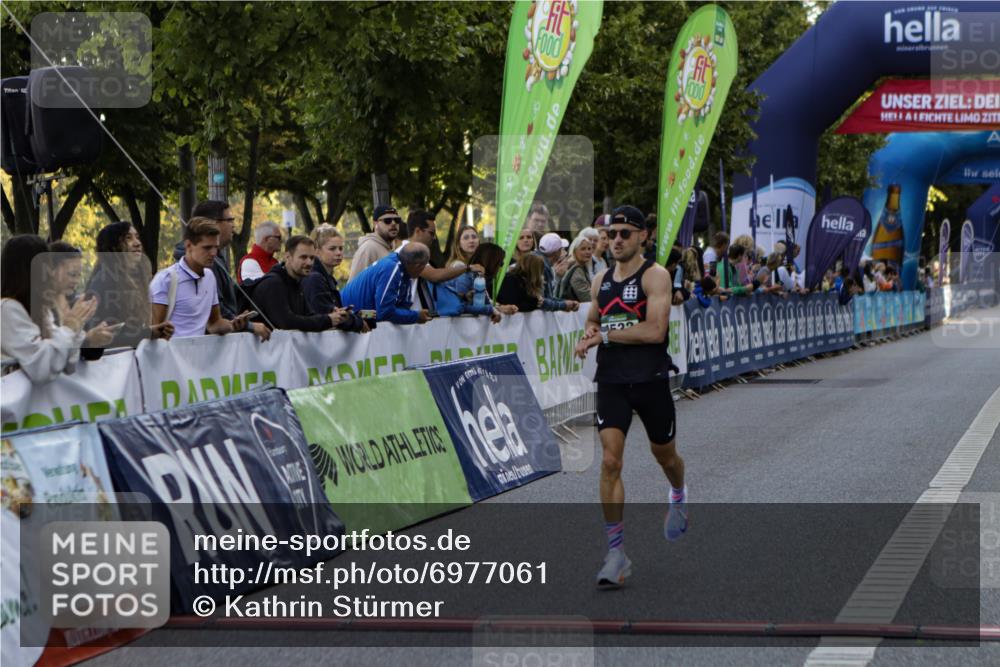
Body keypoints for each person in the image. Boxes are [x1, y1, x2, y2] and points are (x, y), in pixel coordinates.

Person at [573, 205, 686, 589]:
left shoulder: (656, 276)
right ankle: (616, 553)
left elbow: (655, 330)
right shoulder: (601, 279)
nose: (616, 240)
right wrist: (589, 333)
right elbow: (594, 316)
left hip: (650, 377)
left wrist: (605, 335)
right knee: (609, 461)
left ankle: (677, 492)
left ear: (642, 237)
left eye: (624, 233)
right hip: (613, 380)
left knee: (665, 456)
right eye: (612, 233)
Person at [1, 236, 100, 382]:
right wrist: (70, 327)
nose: (51, 273)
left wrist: (77, 325)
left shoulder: (41, 308)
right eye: (46, 265)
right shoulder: (8, 309)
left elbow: (68, 365)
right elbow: (42, 368)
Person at [151, 218, 265, 339]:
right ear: (189, 245)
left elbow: (214, 324)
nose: (213, 253)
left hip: (199, 354)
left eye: (216, 247)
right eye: (207, 248)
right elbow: (154, 331)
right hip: (170, 356)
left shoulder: (210, 277)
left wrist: (234, 325)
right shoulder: (165, 279)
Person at [92, 221, 174, 347]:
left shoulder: (137, 280)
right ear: (113, 246)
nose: (137, 243)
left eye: (137, 237)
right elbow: (104, 336)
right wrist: (147, 333)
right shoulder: (104, 282)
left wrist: (154, 333)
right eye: (128, 238)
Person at [252, 235, 353, 332]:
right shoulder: (273, 283)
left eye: (312, 258)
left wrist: (334, 314)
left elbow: (309, 316)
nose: (309, 263)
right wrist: (328, 320)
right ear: (287, 257)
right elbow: (287, 322)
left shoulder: (297, 282)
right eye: (303, 257)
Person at [47, 242, 118, 361]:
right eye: (72, 274)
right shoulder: (38, 306)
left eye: (79, 275)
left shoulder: (76, 302)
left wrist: (98, 338)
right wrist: (87, 339)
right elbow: (50, 355)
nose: (76, 281)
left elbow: (89, 355)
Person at [341, 243, 432, 325]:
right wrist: (416, 316)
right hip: (346, 315)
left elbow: (403, 307)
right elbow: (384, 312)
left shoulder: (404, 270)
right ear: (418, 266)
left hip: (362, 314)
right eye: (424, 267)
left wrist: (414, 315)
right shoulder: (391, 268)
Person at [302, 225, 367, 332]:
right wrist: (357, 322)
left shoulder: (324, 276)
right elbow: (329, 316)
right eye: (332, 249)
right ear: (317, 252)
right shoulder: (314, 278)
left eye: (341, 248)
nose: (339, 253)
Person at [433, 243, 516, 322]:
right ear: (490, 262)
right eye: (500, 263)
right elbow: (461, 306)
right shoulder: (465, 276)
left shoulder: (480, 278)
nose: (501, 266)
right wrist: (491, 310)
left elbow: (485, 302)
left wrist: (500, 308)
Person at [497, 253, 569, 313]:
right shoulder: (511, 279)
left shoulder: (522, 280)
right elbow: (516, 304)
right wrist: (536, 302)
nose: (541, 274)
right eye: (540, 270)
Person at [350, 205, 401, 279]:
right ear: (375, 224)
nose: (393, 223)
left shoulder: (395, 248)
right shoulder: (368, 248)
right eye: (387, 220)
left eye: (397, 220)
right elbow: (354, 285)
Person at [535, 232, 577, 311]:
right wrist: (563, 305)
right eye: (561, 249)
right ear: (556, 252)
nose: (563, 252)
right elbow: (542, 301)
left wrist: (565, 302)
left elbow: (547, 298)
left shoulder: (538, 260)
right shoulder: (543, 267)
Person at [559, 235, 596, 302]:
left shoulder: (582, 267)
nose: (587, 252)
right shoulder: (575, 270)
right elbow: (586, 297)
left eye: (589, 249)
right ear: (574, 251)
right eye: (583, 249)